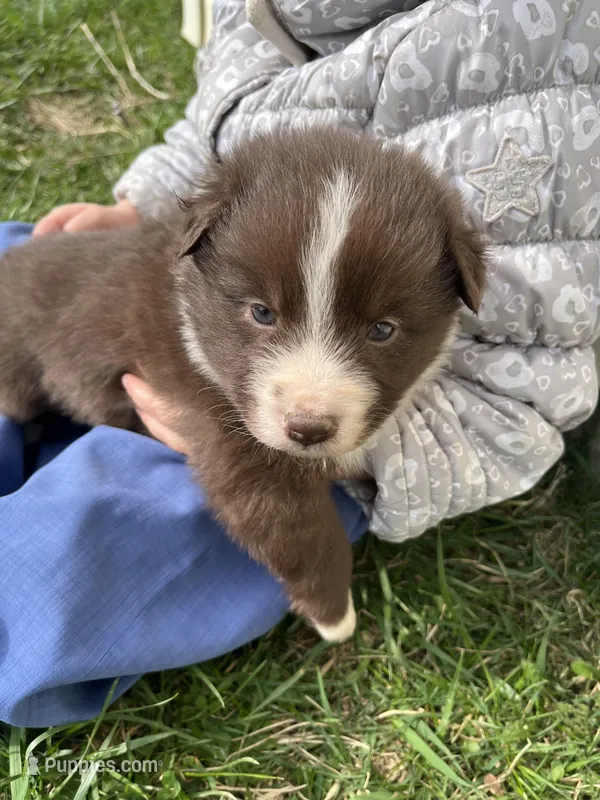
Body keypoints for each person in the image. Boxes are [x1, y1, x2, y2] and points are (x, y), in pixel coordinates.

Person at [2, 0, 599, 726]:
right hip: (106, 324)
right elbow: (214, 127)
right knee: (18, 258)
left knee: (103, 538)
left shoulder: (550, 67)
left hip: (370, 455)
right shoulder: (261, 10)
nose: (309, 395)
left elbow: (529, 389)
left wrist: (368, 479)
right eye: (265, 317)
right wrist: (144, 200)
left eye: (380, 331)